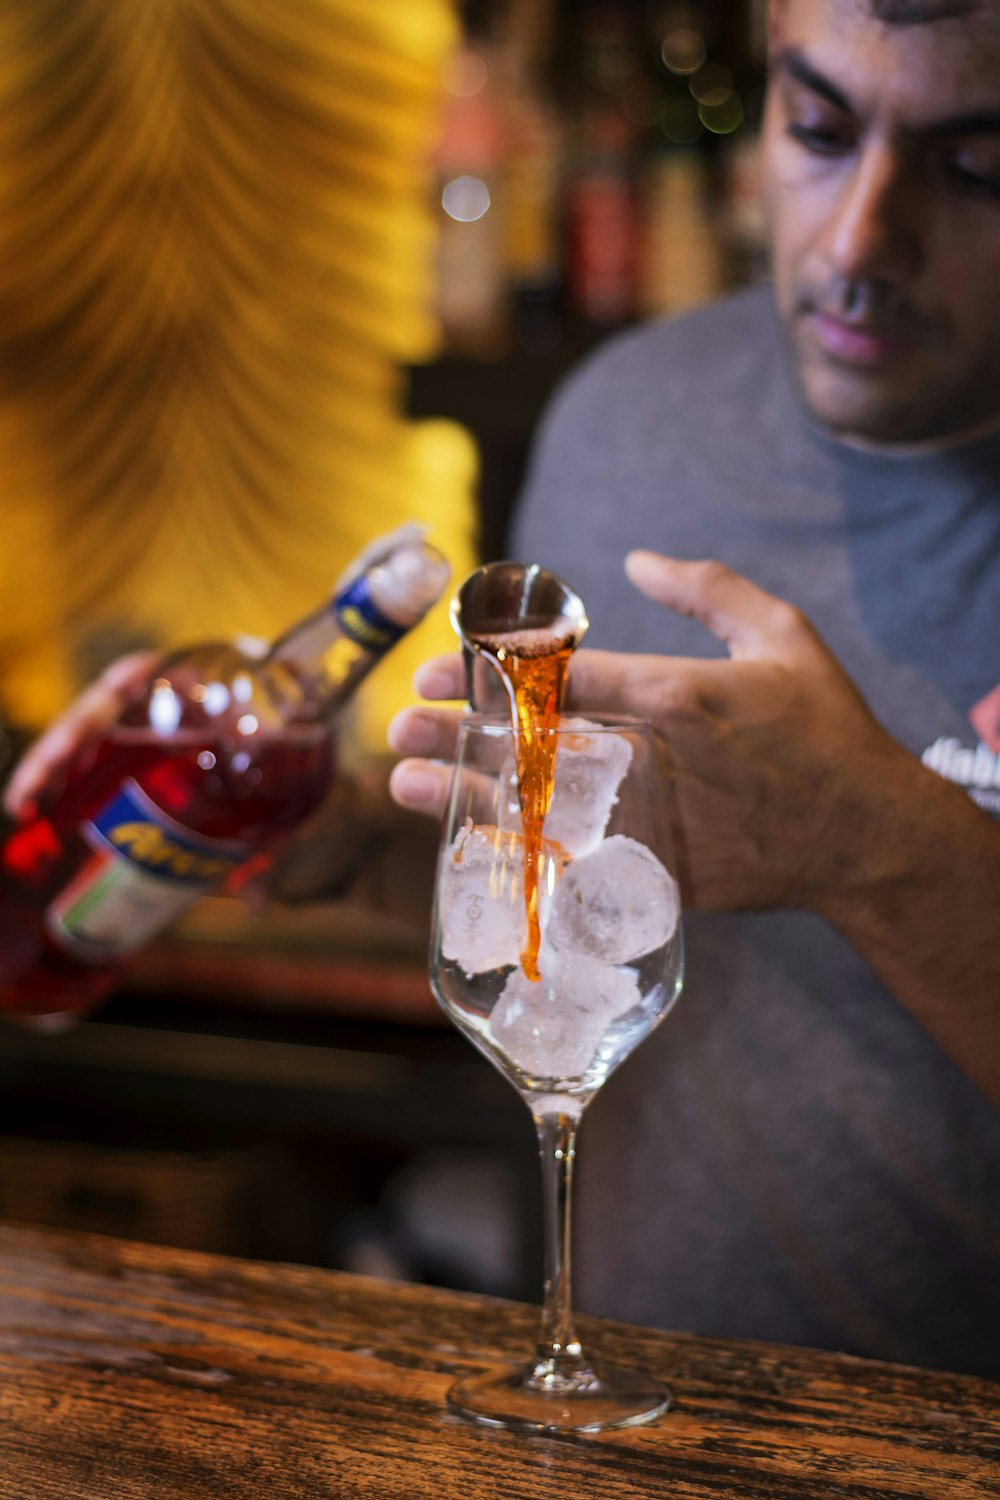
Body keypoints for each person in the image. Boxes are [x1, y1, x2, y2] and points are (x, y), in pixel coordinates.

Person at [5, 0, 1000, 1378]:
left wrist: (881, 849)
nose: (857, 242)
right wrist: (352, 849)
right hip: (624, 1403)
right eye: (820, 129)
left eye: (975, 169)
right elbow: (556, 921)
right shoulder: (624, 415)